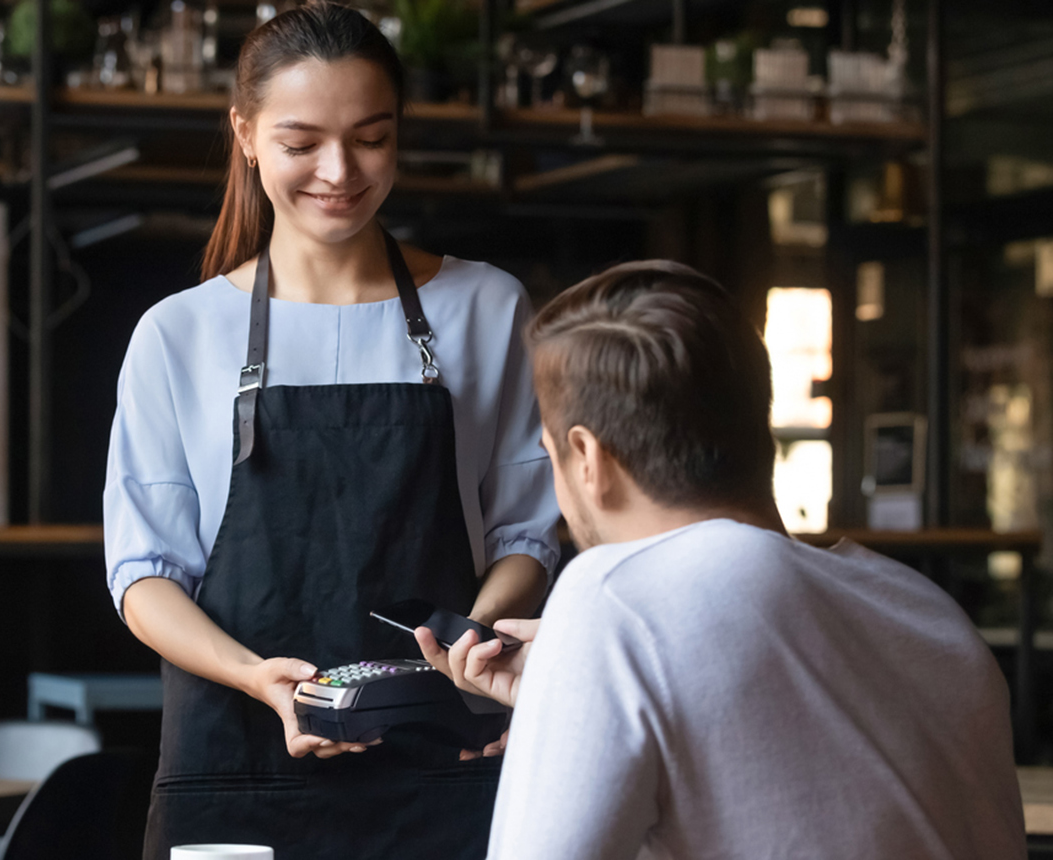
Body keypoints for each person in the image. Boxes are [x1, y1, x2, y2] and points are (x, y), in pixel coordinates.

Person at [103, 3, 560, 857]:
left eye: (371, 138)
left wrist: (458, 648)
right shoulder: (179, 332)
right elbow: (145, 573)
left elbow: (526, 532)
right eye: (301, 141)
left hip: (443, 759)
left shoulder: (487, 306)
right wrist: (259, 681)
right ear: (244, 133)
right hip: (238, 767)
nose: (340, 171)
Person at [419, 260, 1026, 859]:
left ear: (586, 458)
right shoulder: (925, 610)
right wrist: (576, 693)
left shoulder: (611, 598)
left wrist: (588, 668)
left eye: (550, 457)